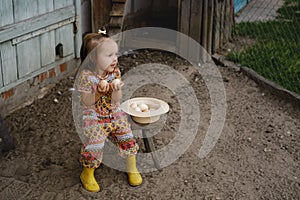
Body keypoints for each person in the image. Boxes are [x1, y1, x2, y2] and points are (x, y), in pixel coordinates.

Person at [76, 29, 142, 192]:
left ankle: (132, 168)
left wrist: (116, 88)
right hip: (94, 115)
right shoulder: (86, 76)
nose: (114, 59)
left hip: (113, 111)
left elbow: (116, 100)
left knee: (126, 134)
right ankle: (87, 173)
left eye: (115, 54)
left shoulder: (115, 73)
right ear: (93, 58)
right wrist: (99, 90)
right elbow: (87, 101)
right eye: (109, 55)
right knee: (95, 142)